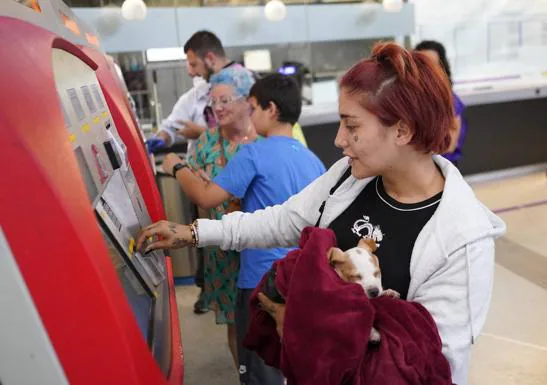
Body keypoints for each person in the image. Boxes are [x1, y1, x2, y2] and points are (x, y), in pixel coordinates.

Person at [137, 43, 505, 385]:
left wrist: (304, 330)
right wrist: (194, 233)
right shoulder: (349, 177)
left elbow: (429, 365)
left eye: (352, 125)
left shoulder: (461, 238)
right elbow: (283, 220)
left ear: (403, 130)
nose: (339, 139)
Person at [159, 73, 326, 385]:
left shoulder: (253, 153)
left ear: (271, 109)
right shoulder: (312, 160)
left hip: (259, 279)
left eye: (253, 107)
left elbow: (205, 197)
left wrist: (176, 167)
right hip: (301, 277)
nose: (250, 114)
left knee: (260, 368)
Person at [161, 64, 257, 372]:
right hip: (222, 248)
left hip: (261, 244)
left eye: (225, 100)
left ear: (247, 101)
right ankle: (245, 375)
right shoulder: (206, 142)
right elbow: (200, 197)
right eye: (213, 102)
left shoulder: (265, 139)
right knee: (234, 322)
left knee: (269, 317)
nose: (217, 108)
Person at [414, 40, 467, 167]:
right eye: (421, 64)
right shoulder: (411, 98)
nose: (426, 70)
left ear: (441, 68)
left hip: (441, 167)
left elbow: (450, 145)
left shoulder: (450, 101)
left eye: (432, 64)